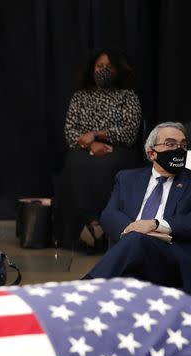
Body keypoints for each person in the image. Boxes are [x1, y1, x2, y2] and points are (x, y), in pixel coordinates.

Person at [84, 122, 191, 297]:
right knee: (135, 246)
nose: (179, 149)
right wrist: (134, 231)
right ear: (152, 153)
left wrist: (154, 224)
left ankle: (84, 289)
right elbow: (109, 215)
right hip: (131, 254)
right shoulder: (127, 178)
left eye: (183, 145)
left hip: (172, 260)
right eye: (170, 144)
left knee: (137, 240)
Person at [56, 50, 142, 251]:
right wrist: (91, 145)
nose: (103, 70)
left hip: (119, 149)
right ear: (92, 70)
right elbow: (70, 131)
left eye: (108, 66)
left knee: (108, 166)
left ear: (117, 70)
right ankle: (92, 223)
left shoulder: (128, 97)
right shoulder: (80, 97)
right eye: (99, 66)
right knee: (75, 162)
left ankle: (101, 225)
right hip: (84, 149)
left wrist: (97, 135)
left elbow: (129, 132)